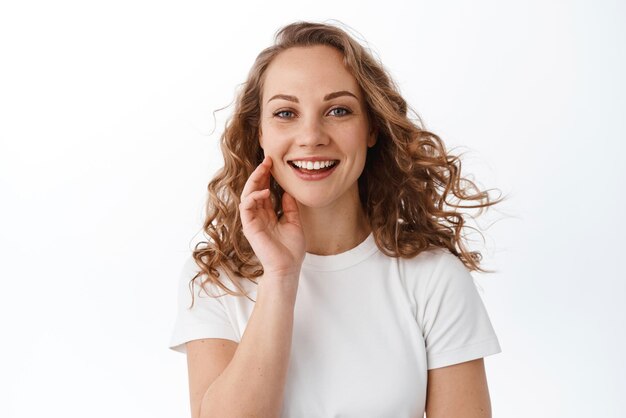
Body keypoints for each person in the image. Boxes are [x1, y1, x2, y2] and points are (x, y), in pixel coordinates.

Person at [169, 21, 503, 418]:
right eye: (286, 112)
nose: (311, 135)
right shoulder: (216, 279)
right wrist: (280, 276)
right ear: (259, 133)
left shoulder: (433, 278)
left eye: (338, 110)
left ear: (372, 128)